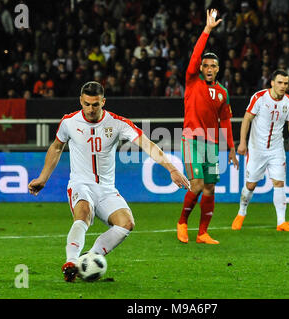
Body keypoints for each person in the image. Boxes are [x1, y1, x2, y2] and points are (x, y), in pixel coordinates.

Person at [28, 81, 190, 282]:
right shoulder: (69, 122)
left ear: (103, 102)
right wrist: (43, 178)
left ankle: (89, 258)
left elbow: (147, 144)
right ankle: (70, 263)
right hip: (80, 184)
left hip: (106, 188)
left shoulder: (117, 123)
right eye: (86, 104)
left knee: (126, 223)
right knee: (83, 214)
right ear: (81, 100)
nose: (90, 109)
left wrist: (172, 168)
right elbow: (56, 147)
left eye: (95, 104)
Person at [177, 9, 239, 245]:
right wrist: (207, 30)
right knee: (198, 184)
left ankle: (202, 233)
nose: (209, 68)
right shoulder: (192, 81)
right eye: (206, 65)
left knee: (210, 187)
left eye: (213, 65)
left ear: (218, 68)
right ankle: (182, 223)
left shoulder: (223, 93)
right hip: (192, 138)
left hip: (213, 142)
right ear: (201, 68)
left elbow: (225, 121)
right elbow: (194, 56)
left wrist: (231, 148)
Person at [231, 69, 289, 232]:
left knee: (279, 183)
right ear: (272, 83)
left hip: (277, 149)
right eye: (279, 82)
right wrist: (242, 142)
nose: (283, 86)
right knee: (250, 185)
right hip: (257, 150)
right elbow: (247, 119)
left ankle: (281, 222)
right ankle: (241, 212)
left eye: (286, 83)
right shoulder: (259, 98)